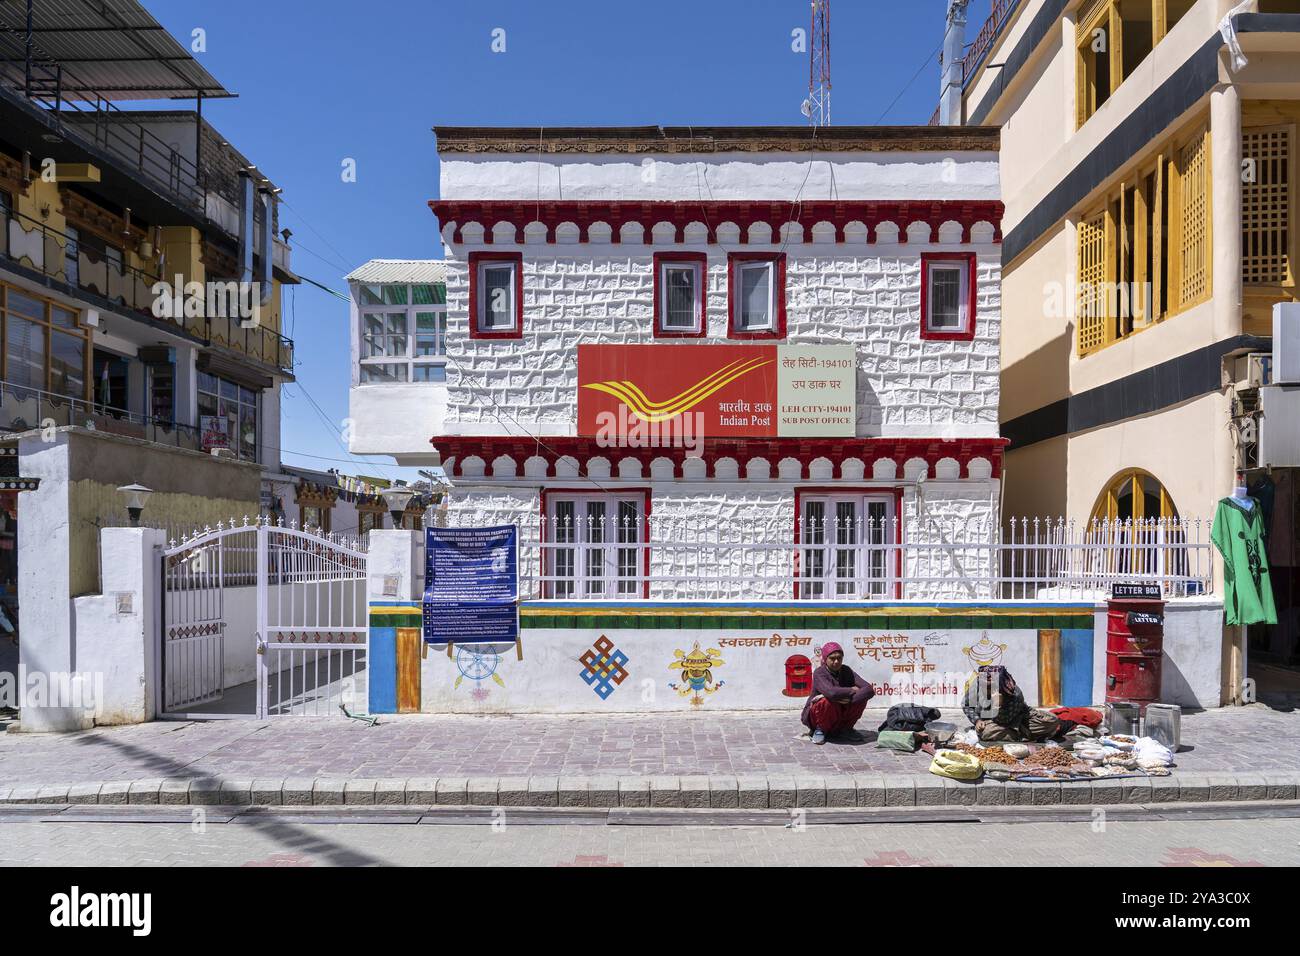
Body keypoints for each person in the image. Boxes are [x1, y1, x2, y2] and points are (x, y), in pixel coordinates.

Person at [801, 642, 875, 744]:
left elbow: (869, 689)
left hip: (840, 711)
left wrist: (849, 701)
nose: (836, 661)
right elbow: (831, 692)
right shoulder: (819, 673)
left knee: (862, 699)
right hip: (818, 717)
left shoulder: (846, 670)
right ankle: (820, 730)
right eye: (832, 658)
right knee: (826, 701)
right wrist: (852, 690)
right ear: (825, 659)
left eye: (839, 658)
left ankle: (846, 729)